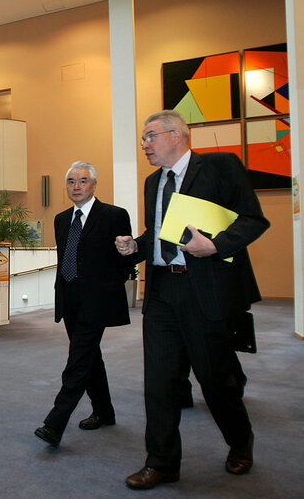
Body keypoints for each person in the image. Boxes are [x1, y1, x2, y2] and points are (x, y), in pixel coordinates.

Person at [115, 110, 269, 490]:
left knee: (216, 380)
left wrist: (215, 245)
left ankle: (240, 441)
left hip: (205, 292)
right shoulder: (154, 182)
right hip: (163, 291)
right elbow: (160, 234)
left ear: (177, 135)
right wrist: (136, 246)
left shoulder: (219, 166)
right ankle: (162, 461)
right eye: (143, 139)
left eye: (150, 137)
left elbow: (253, 219)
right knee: (160, 383)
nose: (145, 145)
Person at [34, 161, 133, 448]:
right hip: (69, 298)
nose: (76, 187)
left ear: (94, 185)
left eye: (83, 181)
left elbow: (124, 258)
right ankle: (105, 412)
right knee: (90, 357)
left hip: (97, 300)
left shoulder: (114, 215)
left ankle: (55, 423)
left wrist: (107, 287)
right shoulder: (61, 219)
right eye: (71, 182)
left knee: (77, 360)